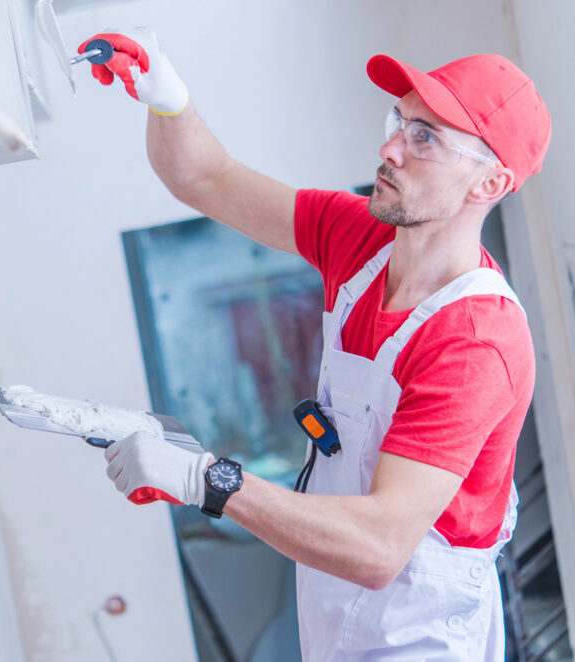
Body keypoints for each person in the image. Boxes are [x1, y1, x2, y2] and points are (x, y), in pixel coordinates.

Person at [81, 27, 551, 661]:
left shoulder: (474, 342)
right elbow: (205, 178)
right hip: (335, 614)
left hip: (420, 636)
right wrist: (166, 96)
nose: (390, 147)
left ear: (490, 184)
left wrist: (205, 478)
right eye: (400, 120)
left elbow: (381, 546)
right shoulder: (360, 239)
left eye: (425, 138)